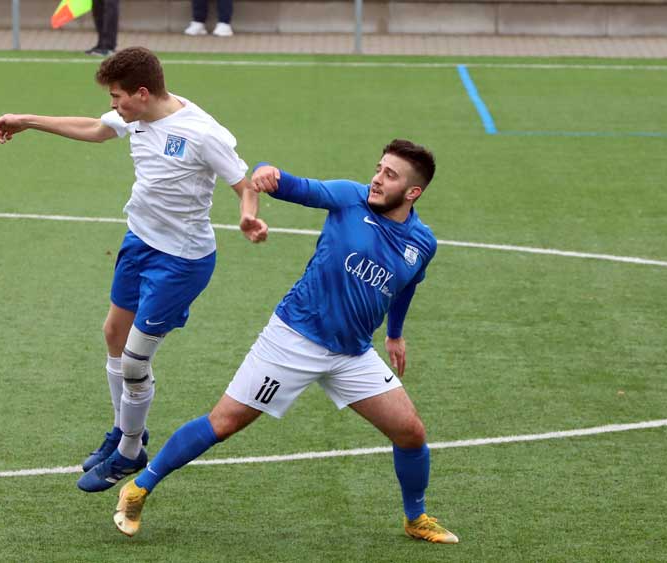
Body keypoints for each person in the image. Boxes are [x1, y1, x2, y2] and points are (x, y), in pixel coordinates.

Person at [111, 139, 459, 544]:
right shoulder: (350, 199)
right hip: (293, 338)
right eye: (379, 169)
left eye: (390, 175)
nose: (377, 179)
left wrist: (395, 334)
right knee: (223, 423)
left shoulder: (423, 243)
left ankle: (415, 518)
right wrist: (267, 174)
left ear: (413, 192)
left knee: (411, 432)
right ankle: (138, 488)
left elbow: (405, 288)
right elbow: (294, 186)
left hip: (352, 353)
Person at [0, 47, 269, 491]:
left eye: (118, 96)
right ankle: (122, 431)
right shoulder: (135, 115)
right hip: (138, 242)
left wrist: (247, 215)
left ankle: (129, 451)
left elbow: (244, 183)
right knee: (113, 336)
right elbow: (97, 128)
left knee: (136, 361)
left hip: (181, 261)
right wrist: (27, 120)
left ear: (142, 93)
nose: (114, 104)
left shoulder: (201, 133)